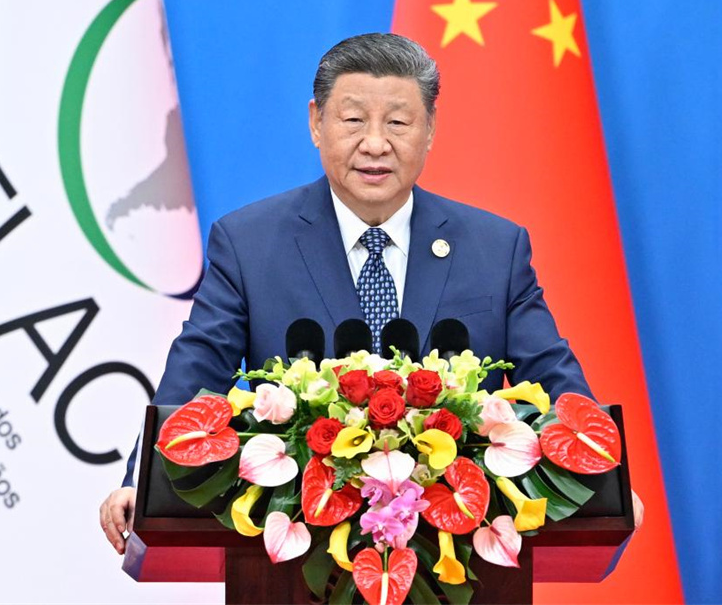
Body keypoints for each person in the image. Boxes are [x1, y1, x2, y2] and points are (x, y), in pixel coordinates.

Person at [99, 33, 642, 554]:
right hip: (297, 547)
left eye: (399, 122)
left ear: (430, 129)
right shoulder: (249, 244)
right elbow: (196, 375)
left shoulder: (494, 249)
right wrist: (140, 480)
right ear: (316, 123)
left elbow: (551, 376)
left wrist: (605, 478)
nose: (376, 144)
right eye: (353, 120)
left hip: (457, 550)